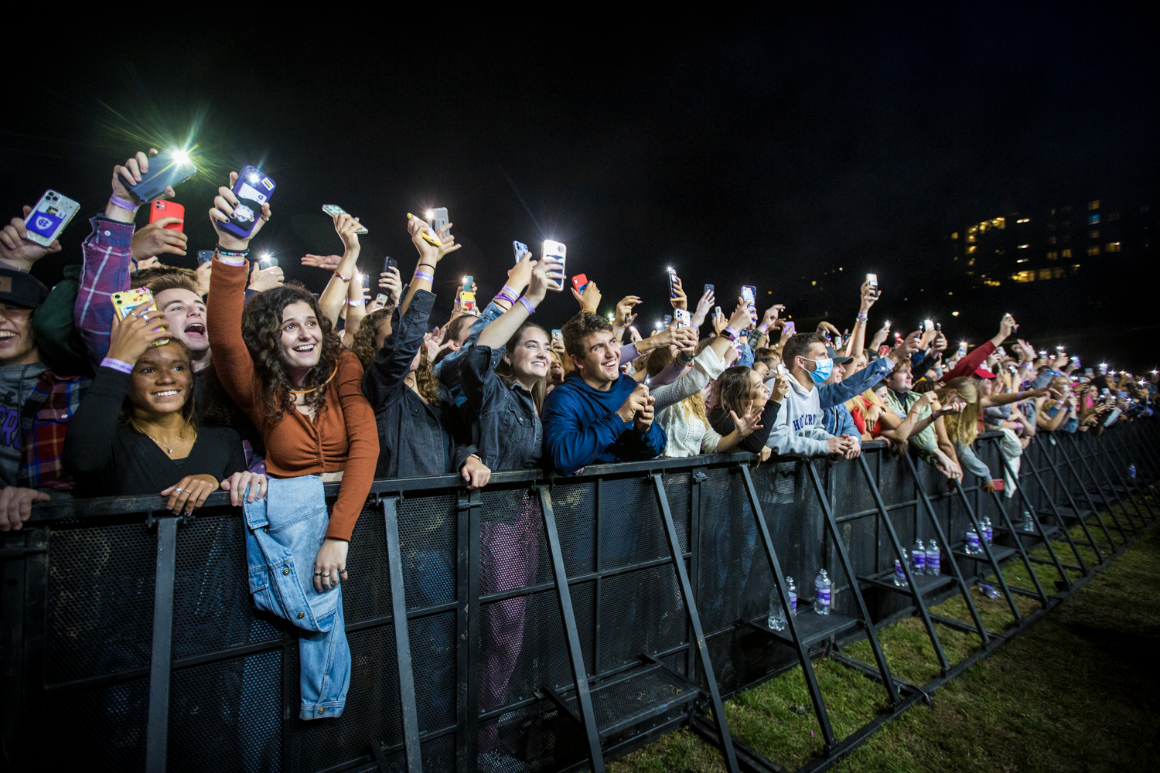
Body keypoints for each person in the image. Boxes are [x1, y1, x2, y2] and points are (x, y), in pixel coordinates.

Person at [206, 171, 378, 720]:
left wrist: (338, 535)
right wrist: (233, 248)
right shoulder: (258, 387)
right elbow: (223, 337)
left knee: (365, 643)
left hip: (351, 531)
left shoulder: (343, 367)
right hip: (285, 541)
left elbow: (365, 448)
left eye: (311, 323)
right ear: (270, 340)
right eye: (288, 326)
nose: (305, 333)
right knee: (278, 656)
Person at [62, 307, 265, 510]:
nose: (167, 379)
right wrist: (118, 358)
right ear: (126, 381)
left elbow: (238, 512)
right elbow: (82, 464)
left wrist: (217, 483)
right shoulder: (109, 442)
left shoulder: (224, 441)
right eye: (148, 370)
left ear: (192, 379)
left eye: (178, 367)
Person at [360, 215, 490, 485]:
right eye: (390, 341)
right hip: (397, 518)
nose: (414, 342)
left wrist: (470, 458)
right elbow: (404, 339)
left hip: (443, 516)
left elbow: (458, 440)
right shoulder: (380, 390)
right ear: (373, 349)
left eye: (418, 337)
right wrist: (427, 261)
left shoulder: (437, 390)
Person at [0, 268, 90, 531]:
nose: (0, 320)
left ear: (38, 316)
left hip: (63, 541)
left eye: (13, 309)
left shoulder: (76, 386)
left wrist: (50, 500)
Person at [541, 312, 667, 475]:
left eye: (612, 341)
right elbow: (563, 458)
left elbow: (657, 447)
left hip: (633, 497)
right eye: (598, 347)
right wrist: (619, 419)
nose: (612, 353)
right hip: (588, 498)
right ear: (578, 361)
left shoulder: (628, 386)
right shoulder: (563, 398)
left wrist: (645, 430)